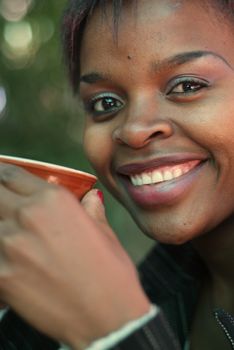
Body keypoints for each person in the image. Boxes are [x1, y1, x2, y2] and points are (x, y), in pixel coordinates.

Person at [0, 0, 234, 349]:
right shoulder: (160, 286)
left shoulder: (118, 310)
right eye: (105, 103)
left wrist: (119, 329)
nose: (135, 130)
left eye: (187, 86)